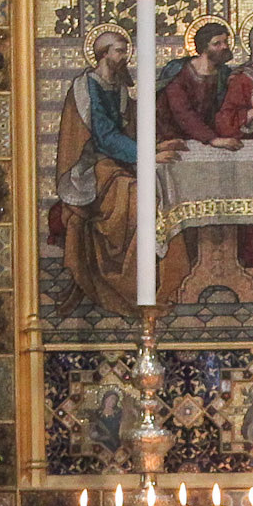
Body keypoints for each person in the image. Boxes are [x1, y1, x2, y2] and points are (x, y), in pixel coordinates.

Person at [52, 24, 154, 311]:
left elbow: (126, 127)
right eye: (120, 51)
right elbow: (103, 136)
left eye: (126, 51)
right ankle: (119, 278)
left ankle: (133, 277)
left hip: (114, 160)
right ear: (103, 54)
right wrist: (146, 154)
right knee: (132, 192)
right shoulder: (87, 87)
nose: (125, 57)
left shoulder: (117, 86)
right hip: (87, 165)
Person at [157, 21, 240, 150]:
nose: (224, 47)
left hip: (209, 138)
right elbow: (182, 112)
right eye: (217, 43)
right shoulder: (180, 73)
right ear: (204, 47)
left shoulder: (224, 74)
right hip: (174, 138)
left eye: (225, 42)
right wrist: (212, 139)